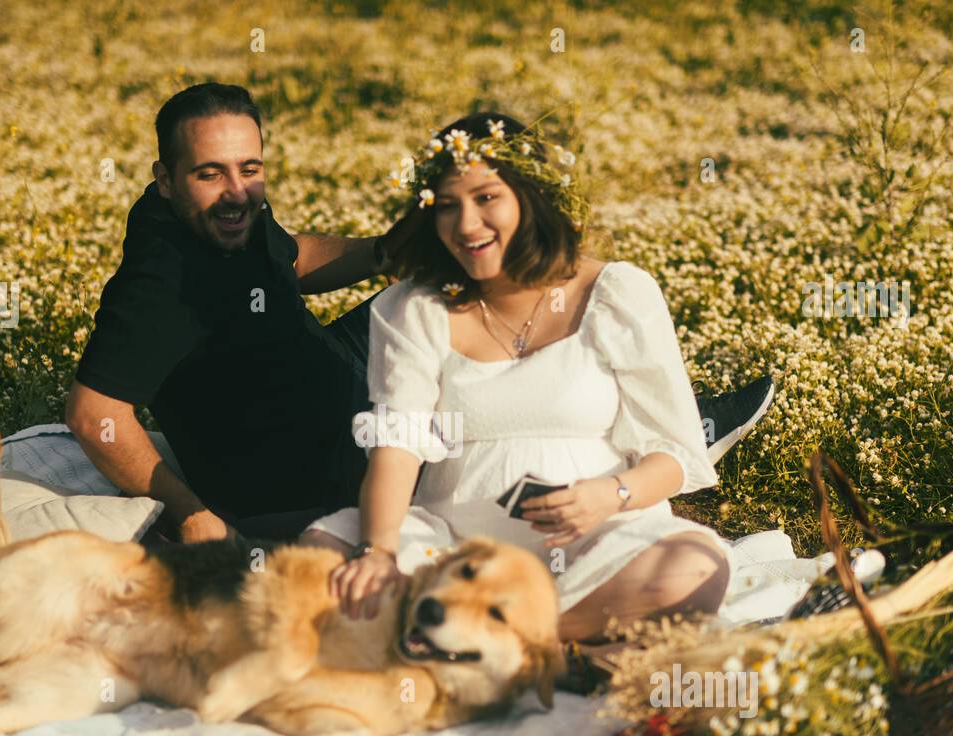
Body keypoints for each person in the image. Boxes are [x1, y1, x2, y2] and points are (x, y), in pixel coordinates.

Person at [68, 84, 772, 552]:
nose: (236, 192)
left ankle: (641, 419)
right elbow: (94, 410)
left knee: (465, 279)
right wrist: (192, 513)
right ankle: (664, 439)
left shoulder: (225, 217)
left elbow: (289, 259)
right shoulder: (160, 285)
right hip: (311, 456)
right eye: (210, 174)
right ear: (166, 178)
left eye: (249, 168)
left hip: (324, 366)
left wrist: (385, 252)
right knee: (447, 318)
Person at [297, 111, 747, 655]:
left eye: (486, 198)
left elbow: (675, 453)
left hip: (597, 543)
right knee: (323, 554)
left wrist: (612, 494)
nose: (465, 224)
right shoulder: (416, 307)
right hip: (455, 552)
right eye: (447, 206)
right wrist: (381, 552)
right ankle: (525, 648)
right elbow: (395, 448)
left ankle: (475, 641)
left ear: (530, 197)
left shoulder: (615, 294)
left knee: (694, 570)